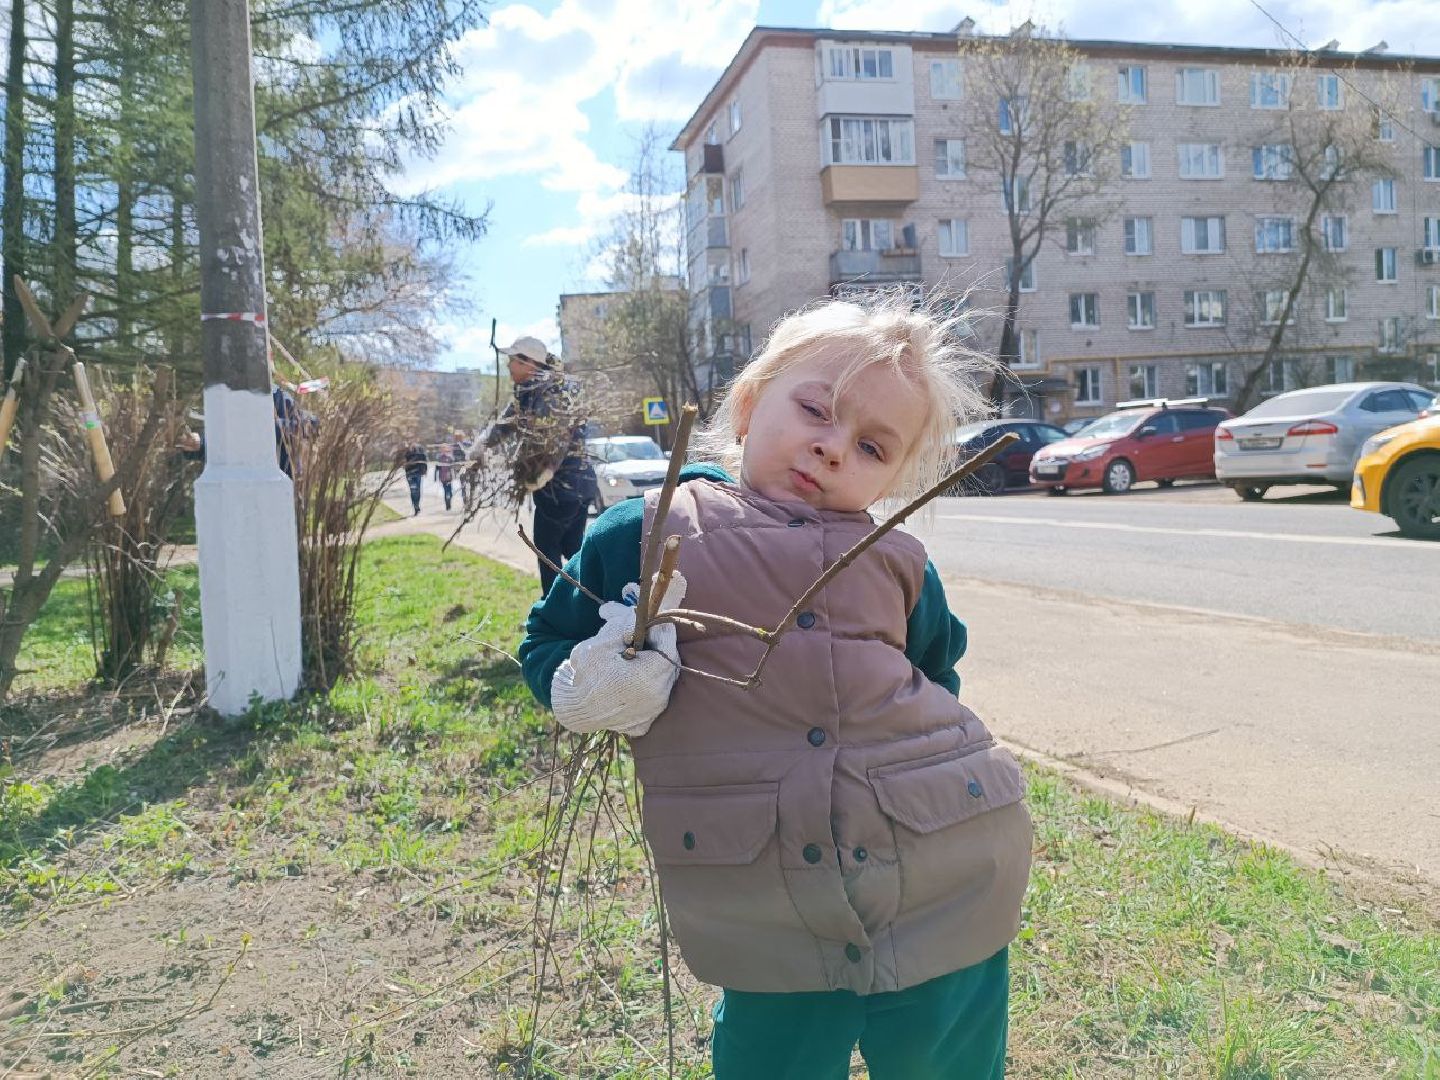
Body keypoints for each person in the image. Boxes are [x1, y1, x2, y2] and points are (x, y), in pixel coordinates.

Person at [518, 296, 1033, 1079]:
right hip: (766, 896)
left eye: (870, 446)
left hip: (943, 877)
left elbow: (937, 673)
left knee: (948, 1063)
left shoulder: (898, 560)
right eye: (816, 410)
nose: (832, 450)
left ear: (895, 477)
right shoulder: (649, 529)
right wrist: (594, 679)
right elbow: (545, 644)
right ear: (752, 402)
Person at [484, 335, 596, 593]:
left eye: (513, 360)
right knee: (571, 547)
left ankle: (558, 615)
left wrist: (545, 472)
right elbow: (505, 424)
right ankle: (594, 603)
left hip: (561, 486)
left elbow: (559, 436)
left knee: (547, 551)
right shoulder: (533, 391)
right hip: (578, 484)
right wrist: (481, 445)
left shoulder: (547, 393)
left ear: (529, 363)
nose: (509, 366)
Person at [403, 443, 428, 516]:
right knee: (413, 490)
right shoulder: (406, 451)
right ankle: (415, 506)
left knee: (418, 490)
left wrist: (425, 470)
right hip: (410, 473)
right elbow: (402, 462)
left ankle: (417, 504)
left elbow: (424, 459)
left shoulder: (419, 450)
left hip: (418, 473)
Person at [435, 446, 456, 511]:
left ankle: (449, 500)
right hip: (443, 477)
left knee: (450, 491)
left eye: (446, 450)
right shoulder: (439, 458)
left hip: (449, 477)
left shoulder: (450, 458)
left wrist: (454, 475)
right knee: (446, 491)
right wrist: (435, 478)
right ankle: (447, 505)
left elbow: (453, 467)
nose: (444, 451)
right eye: (443, 450)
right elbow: (437, 468)